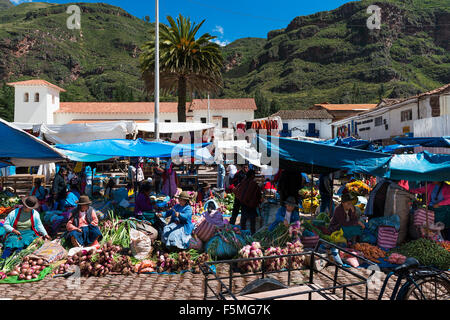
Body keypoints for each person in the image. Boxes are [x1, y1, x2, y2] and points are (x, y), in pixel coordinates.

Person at [235, 169, 262, 235]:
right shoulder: (253, 184)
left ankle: (242, 233)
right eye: (254, 175)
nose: (254, 176)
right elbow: (258, 195)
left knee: (243, 219)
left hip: (243, 203)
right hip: (250, 205)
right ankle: (252, 233)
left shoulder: (243, 182)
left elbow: (238, 191)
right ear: (252, 175)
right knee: (252, 220)